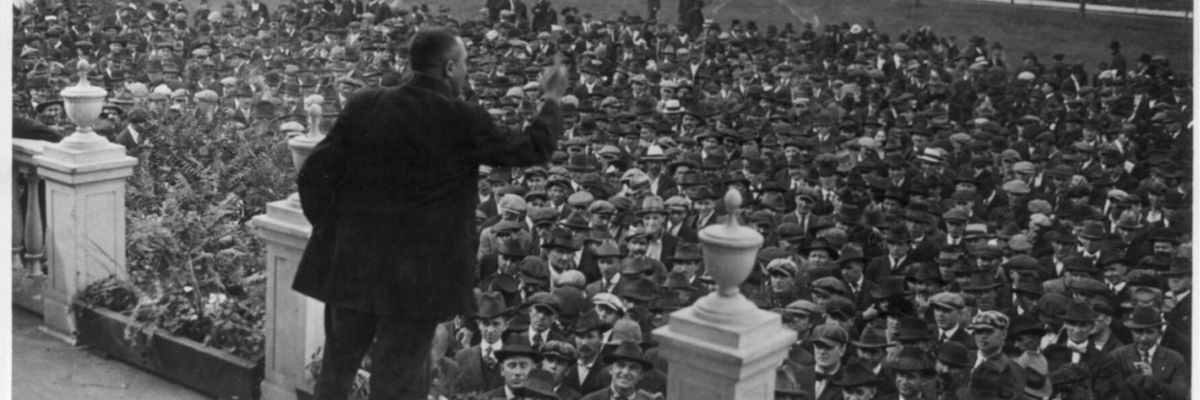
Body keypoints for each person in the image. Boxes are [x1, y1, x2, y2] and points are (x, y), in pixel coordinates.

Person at [295, 28, 569, 400]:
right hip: (418, 280)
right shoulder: (462, 118)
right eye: (465, 66)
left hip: (353, 266)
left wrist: (333, 232)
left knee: (336, 371)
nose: (466, 74)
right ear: (449, 67)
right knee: (399, 381)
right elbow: (534, 147)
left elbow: (314, 174)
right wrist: (551, 100)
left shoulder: (366, 104)